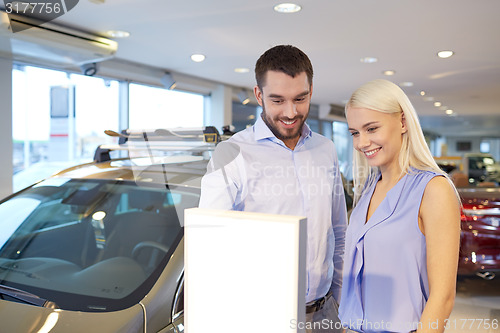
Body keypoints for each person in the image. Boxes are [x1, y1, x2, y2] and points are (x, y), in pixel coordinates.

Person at [199, 45, 348, 332]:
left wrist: (340, 303)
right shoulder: (231, 154)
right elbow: (211, 249)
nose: (290, 112)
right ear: (259, 95)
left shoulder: (325, 149)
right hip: (263, 317)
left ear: (311, 91)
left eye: (300, 99)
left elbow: (338, 231)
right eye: (277, 100)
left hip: (326, 312)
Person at [338, 79, 461, 333]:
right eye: (355, 133)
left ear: (403, 122)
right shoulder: (369, 188)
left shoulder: (433, 189)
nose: (361, 143)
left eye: (371, 129)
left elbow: (443, 298)